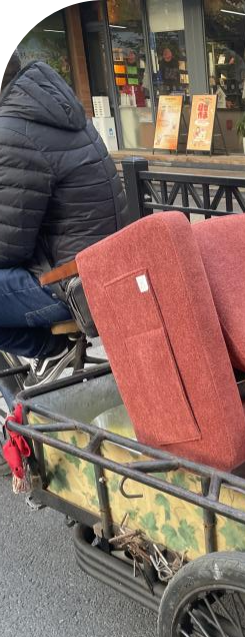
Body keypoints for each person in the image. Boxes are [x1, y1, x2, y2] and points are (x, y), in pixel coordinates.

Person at [0, 51, 128, 390]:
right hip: (101, 269)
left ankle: (48, 349)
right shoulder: (57, 111)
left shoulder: (12, 130)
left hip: (71, 285)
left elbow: (8, 246)